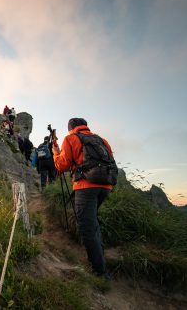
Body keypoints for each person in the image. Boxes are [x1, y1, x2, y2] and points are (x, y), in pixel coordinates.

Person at [52, 118, 115, 278]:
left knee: (87, 228)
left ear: (70, 129)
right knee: (92, 223)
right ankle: (100, 260)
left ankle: (100, 272)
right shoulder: (102, 140)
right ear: (85, 126)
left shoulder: (71, 138)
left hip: (85, 187)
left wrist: (56, 153)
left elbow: (62, 165)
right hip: (105, 187)